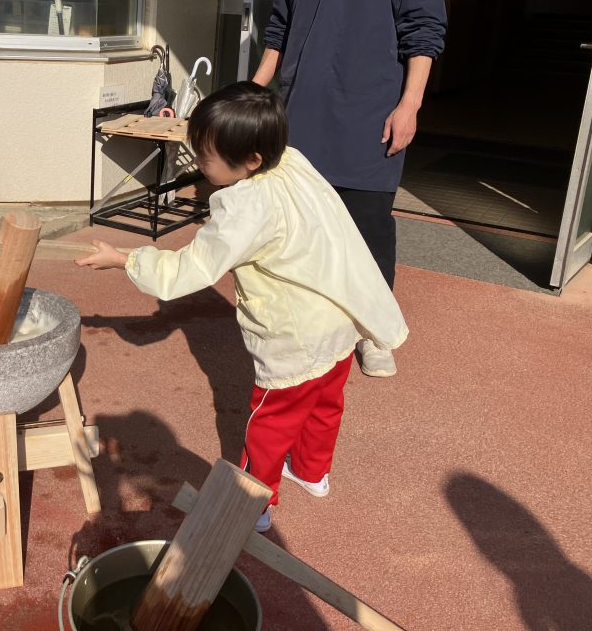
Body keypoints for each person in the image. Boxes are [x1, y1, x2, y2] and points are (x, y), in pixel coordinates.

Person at [76, 81, 408, 532]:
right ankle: (313, 473)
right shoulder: (291, 160)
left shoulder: (244, 206)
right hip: (338, 318)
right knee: (325, 403)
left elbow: (189, 269)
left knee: (269, 420)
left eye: (205, 157)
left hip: (294, 336)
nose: (199, 163)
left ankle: (255, 502)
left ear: (250, 160)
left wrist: (123, 259)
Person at [252, 0, 447, 378]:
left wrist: (410, 104)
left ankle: (374, 330)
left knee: (368, 223)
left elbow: (424, 26)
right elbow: (281, 22)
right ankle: (310, 318)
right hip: (301, 105)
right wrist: (256, 91)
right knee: (299, 221)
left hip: (372, 107)